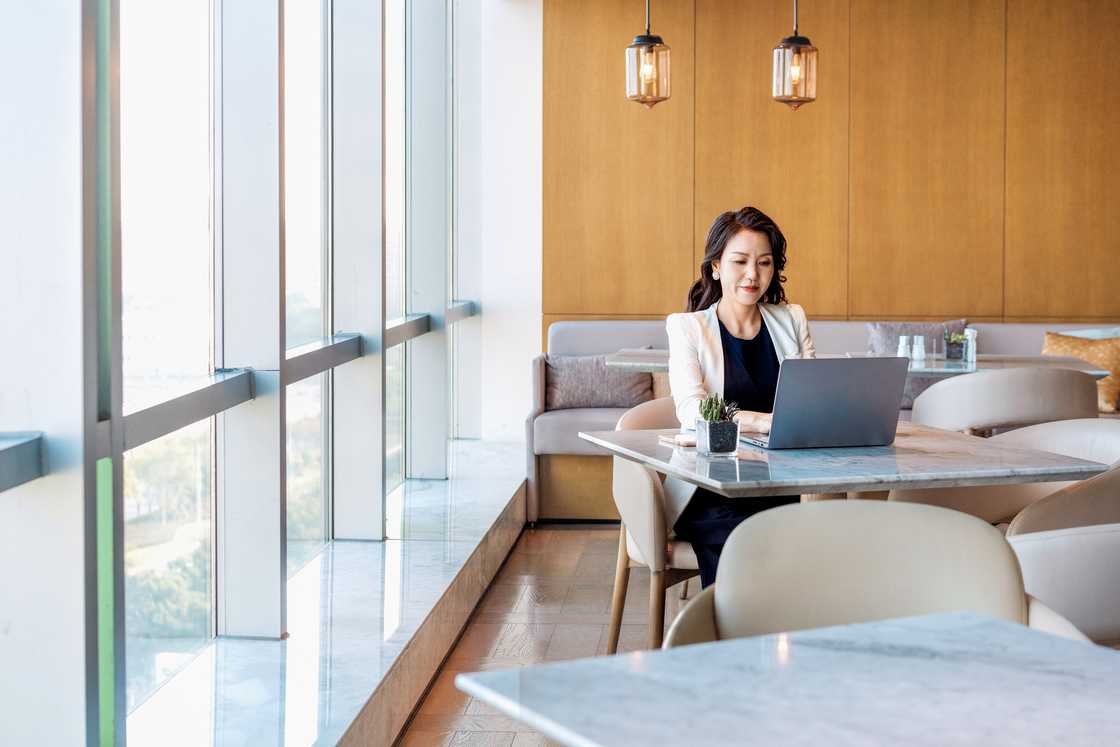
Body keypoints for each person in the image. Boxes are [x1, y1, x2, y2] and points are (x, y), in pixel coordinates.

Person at [665, 206, 816, 587]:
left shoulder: (791, 318)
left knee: (826, 535)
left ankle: (787, 638)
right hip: (712, 488)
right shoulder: (688, 328)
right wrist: (762, 420)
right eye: (740, 261)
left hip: (781, 482)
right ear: (716, 265)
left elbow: (812, 400)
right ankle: (731, 637)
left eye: (764, 263)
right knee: (748, 544)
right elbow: (692, 412)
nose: (753, 274)